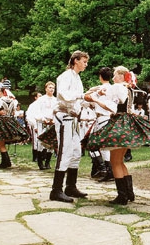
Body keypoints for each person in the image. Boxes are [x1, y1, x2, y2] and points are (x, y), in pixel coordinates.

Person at [85, 66, 150, 205]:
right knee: (120, 161)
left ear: (120, 75)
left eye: (114, 74)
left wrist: (95, 100)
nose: (112, 77)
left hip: (120, 123)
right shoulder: (128, 88)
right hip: (127, 122)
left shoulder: (118, 87)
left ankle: (122, 196)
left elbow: (111, 107)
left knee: (115, 162)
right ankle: (129, 193)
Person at [50, 51, 89, 203]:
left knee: (76, 152)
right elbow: (64, 96)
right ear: (75, 60)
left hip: (73, 118)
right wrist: (82, 96)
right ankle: (56, 190)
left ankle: (70, 186)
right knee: (65, 152)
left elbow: (79, 100)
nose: (86, 64)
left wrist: (91, 99)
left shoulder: (77, 78)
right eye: (84, 61)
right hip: (64, 116)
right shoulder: (65, 76)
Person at [0, 89, 29, 168]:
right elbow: (14, 113)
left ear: (0, 93)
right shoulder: (12, 101)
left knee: (0, 142)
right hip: (9, 121)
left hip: (0, 122)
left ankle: (5, 162)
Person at [29, 82, 58, 170]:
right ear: (46, 88)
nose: (51, 89)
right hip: (42, 122)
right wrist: (42, 118)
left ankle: (47, 162)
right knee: (40, 142)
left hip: (52, 122)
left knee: (51, 142)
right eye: (49, 87)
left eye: (53, 88)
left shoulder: (56, 100)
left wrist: (54, 119)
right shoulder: (41, 100)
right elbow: (37, 111)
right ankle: (40, 162)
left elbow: (56, 111)